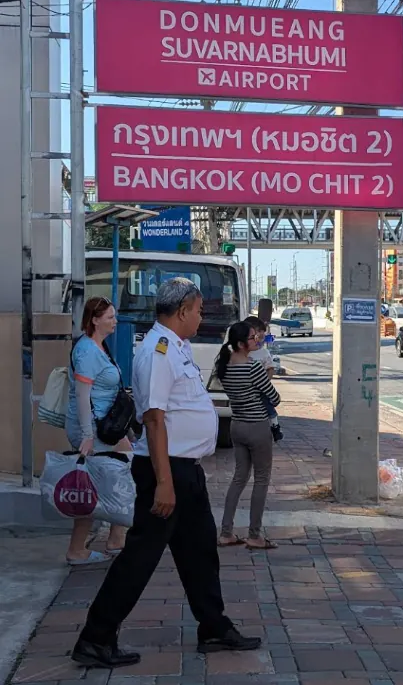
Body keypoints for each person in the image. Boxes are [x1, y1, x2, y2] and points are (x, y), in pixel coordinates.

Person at [71, 278, 260, 669]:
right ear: (182, 311)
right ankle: (95, 638)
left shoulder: (178, 348)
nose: (201, 316)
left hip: (184, 470)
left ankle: (213, 627)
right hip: (166, 471)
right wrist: (164, 484)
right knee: (139, 558)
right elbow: (154, 420)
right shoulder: (159, 352)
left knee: (201, 551)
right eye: (199, 310)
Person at [64, 296, 131, 565]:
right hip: (93, 428)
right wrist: (87, 435)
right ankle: (79, 549)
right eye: (110, 317)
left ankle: (116, 537)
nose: (115, 321)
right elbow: (82, 396)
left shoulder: (98, 347)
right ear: (94, 320)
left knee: (116, 479)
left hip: (106, 427)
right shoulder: (88, 352)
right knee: (91, 488)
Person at [217, 320, 281, 550]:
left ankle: (226, 532)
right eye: (253, 337)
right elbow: (274, 398)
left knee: (239, 477)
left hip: (237, 425)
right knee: (261, 479)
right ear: (243, 343)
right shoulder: (253, 367)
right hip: (257, 426)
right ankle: (254, 535)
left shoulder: (224, 365)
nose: (257, 340)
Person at [244, 315, 282, 442]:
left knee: (268, 403)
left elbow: (270, 370)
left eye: (262, 331)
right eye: (257, 331)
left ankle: (275, 426)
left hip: (261, 389)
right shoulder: (237, 353)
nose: (260, 335)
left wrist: (264, 383)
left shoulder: (264, 353)